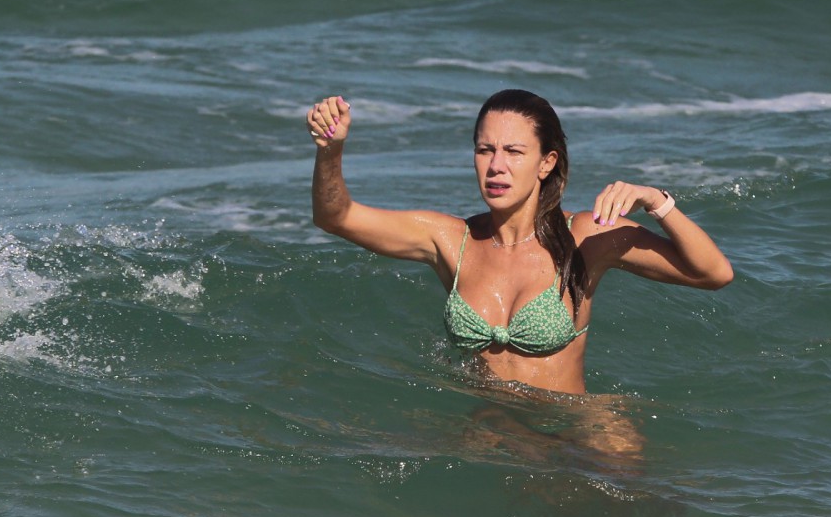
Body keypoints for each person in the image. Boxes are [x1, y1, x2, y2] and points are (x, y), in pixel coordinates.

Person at [307, 89, 732, 397]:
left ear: (546, 163)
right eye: (484, 150)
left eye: (513, 151)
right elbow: (336, 217)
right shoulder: (451, 240)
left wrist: (657, 201)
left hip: (573, 434)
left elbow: (713, 273)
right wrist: (331, 151)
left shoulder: (585, 237)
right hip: (492, 431)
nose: (496, 166)